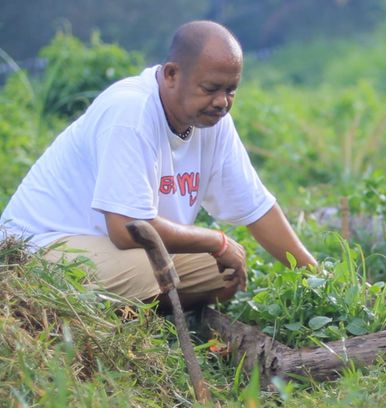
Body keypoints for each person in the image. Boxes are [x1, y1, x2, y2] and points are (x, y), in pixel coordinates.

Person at [0, 20, 317, 310]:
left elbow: (256, 207)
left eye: (230, 90)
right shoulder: (130, 112)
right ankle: (108, 319)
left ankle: (136, 312)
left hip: (114, 251)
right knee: (155, 272)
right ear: (171, 75)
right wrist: (216, 240)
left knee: (224, 273)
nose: (222, 101)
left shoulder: (213, 120)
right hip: (41, 246)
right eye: (210, 89)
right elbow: (128, 228)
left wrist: (318, 277)